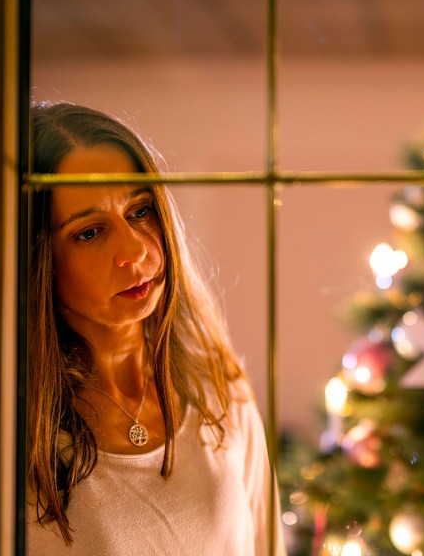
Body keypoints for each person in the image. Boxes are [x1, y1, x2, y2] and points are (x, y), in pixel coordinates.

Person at [26, 101, 284, 555]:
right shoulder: (19, 434)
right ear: (39, 259)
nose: (135, 251)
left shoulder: (219, 388)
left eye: (140, 210)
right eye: (89, 232)